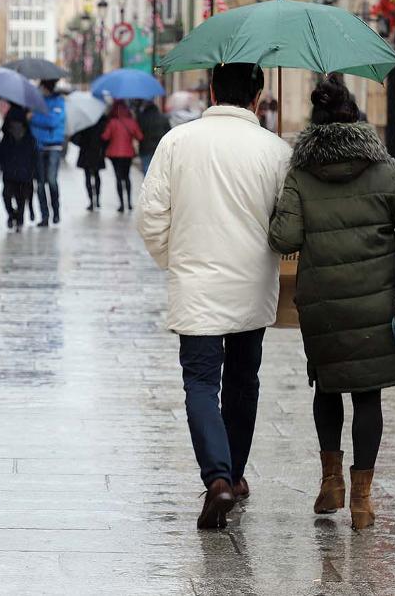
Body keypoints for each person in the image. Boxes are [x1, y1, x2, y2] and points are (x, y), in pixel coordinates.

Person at [268, 79, 395, 530]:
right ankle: (362, 501)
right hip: (375, 300)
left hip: (322, 303)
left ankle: (331, 483)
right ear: (357, 119)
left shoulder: (300, 175)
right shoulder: (385, 168)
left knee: (327, 387)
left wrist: (278, 207)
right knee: (368, 394)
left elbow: (285, 238)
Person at [137, 63, 291, 530]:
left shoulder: (178, 142)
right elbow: (288, 224)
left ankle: (218, 479)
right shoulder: (276, 150)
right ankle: (236, 474)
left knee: (202, 383)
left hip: (197, 284)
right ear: (258, 96)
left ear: (211, 91)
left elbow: (150, 215)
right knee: (245, 380)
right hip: (253, 285)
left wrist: (175, 258)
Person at [29, 80, 67, 226]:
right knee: (40, 184)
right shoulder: (37, 102)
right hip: (39, 146)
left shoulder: (59, 101)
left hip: (54, 146)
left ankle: (56, 211)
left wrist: (36, 118)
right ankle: (44, 216)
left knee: (51, 180)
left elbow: (53, 121)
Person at [0, 105, 38, 231]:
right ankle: (15, 216)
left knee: (16, 196)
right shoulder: (10, 138)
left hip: (20, 172)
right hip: (14, 172)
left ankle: (17, 217)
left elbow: (33, 156)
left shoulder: (28, 139)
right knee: (12, 196)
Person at [101, 101, 143, 213]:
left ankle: (121, 204)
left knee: (118, 178)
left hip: (114, 154)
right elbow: (140, 136)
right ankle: (129, 203)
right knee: (127, 177)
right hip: (128, 153)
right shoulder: (131, 122)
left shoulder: (112, 122)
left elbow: (105, 137)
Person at [71, 114, 106, 211]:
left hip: (86, 151)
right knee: (96, 175)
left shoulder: (83, 121)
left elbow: (75, 138)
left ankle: (92, 201)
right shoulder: (101, 119)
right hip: (97, 151)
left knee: (88, 177)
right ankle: (97, 200)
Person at [136, 99, 171, 174]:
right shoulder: (163, 118)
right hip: (160, 147)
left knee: (146, 168)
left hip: (145, 147)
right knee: (159, 169)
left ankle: (148, 185)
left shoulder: (141, 118)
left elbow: (138, 133)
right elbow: (169, 132)